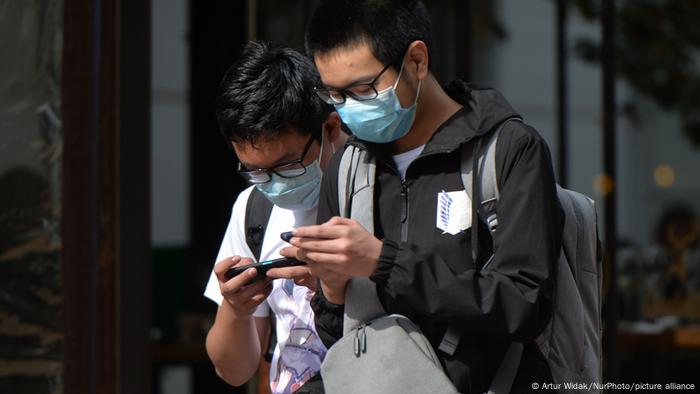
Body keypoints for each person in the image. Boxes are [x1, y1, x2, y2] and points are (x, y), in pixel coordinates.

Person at [279, 0, 564, 392]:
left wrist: (384, 262)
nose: (349, 111)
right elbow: (336, 334)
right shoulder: (349, 167)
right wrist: (331, 284)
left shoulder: (508, 150)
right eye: (335, 95)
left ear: (416, 61)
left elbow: (525, 306)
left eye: (362, 89)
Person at [203, 41, 347, 394]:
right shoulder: (254, 207)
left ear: (330, 129)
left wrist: (334, 288)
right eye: (255, 171)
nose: (273, 183)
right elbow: (234, 371)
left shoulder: (376, 193)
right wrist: (236, 309)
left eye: (286, 166)